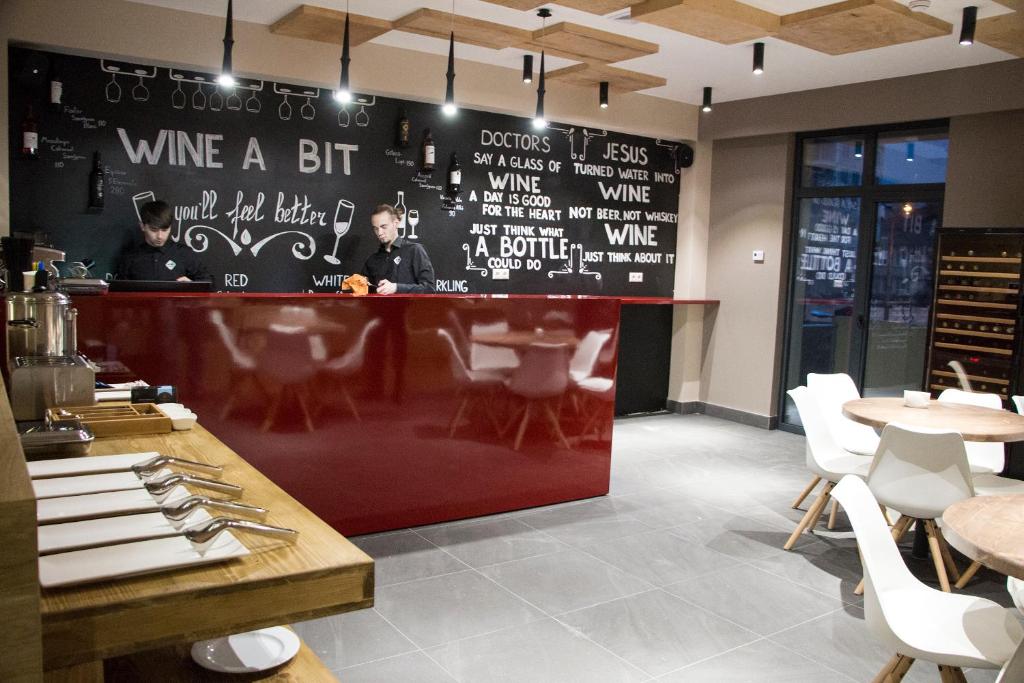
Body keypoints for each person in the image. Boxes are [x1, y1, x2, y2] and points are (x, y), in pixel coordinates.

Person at [116, 200, 210, 281]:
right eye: (154, 230)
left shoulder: (184, 253)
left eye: (164, 230)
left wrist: (192, 285)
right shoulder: (130, 258)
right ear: (142, 226)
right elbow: (119, 291)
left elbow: (209, 283)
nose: (160, 236)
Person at [361, 204, 435, 294]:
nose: (379, 233)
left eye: (383, 227)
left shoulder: (414, 250)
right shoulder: (372, 260)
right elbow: (364, 294)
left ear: (396, 224)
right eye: (376, 229)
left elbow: (429, 289)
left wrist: (396, 288)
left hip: (409, 304)